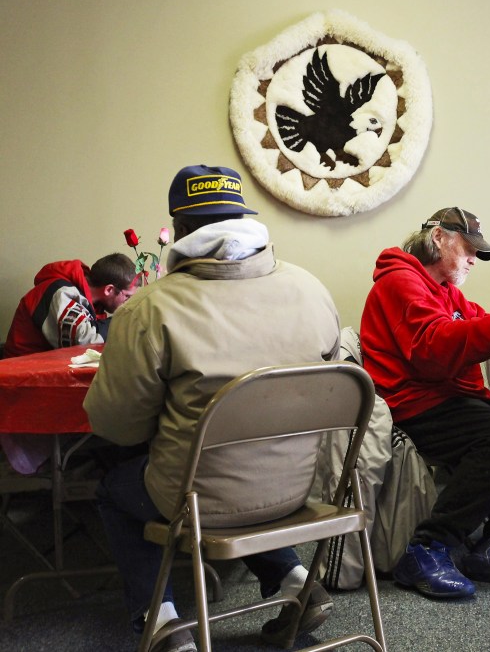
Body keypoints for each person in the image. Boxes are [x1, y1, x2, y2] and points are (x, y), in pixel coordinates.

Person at [84, 165, 341, 652]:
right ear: (244, 217)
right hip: (295, 491)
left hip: (199, 504)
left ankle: (160, 620)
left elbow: (116, 425)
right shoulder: (312, 289)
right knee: (238, 473)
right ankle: (294, 578)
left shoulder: (150, 308)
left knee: (114, 488)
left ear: (179, 230)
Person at [360, 206, 490, 600]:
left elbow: (474, 323)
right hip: (415, 402)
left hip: (444, 397)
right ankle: (425, 548)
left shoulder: (445, 292)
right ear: (439, 238)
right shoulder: (400, 281)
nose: (473, 259)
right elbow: (432, 347)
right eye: (468, 248)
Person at [3, 253, 137, 358]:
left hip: (45, 371)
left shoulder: (96, 305)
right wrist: (122, 319)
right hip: (20, 378)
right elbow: (83, 343)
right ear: (109, 289)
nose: (128, 303)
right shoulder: (59, 292)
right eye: (127, 296)